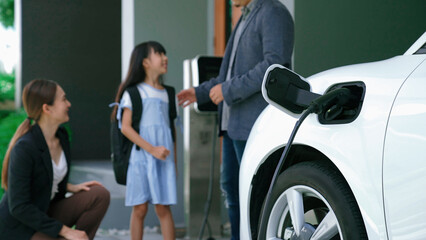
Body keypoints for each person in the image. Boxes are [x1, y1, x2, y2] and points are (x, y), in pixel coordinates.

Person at [177, 0, 294, 239]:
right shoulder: (245, 16)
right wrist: (199, 92)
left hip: (255, 124)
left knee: (256, 194)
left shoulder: (273, 12)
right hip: (233, 126)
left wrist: (228, 90)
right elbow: (227, 75)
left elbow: (274, 65)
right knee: (233, 190)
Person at [0, 79, 110, 240]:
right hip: (22, 228)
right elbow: (19, 207)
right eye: (64, 99)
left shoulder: (62, 136)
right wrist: (65, 231)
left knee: (99, 194)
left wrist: (69, 187)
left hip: (46, 210)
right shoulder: (25, 148)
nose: (69, 104)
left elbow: (45, 174)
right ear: (47, 108)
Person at [111, 41, 177, 240]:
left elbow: (171, 130)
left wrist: (174, 163)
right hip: (140, 158)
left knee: (163, 207)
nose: (165, 58)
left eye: (165, 54)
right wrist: (152, 149)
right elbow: (126, 127)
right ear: (145, 62)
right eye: (159, 54)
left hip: (163, 159)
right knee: (139, 208)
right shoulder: (133, 93)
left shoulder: (169, 93)